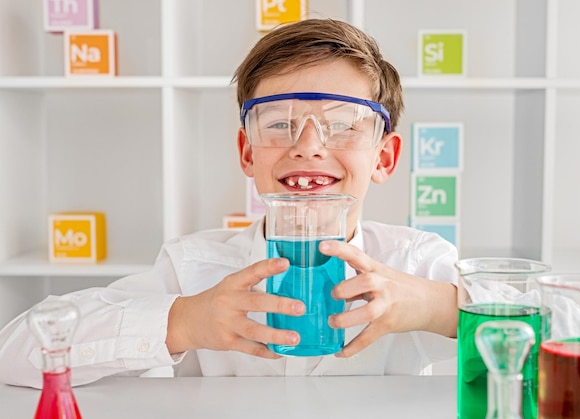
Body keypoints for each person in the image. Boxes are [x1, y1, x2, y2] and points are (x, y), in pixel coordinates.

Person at [0, 18, 458, 388]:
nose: (308, 145)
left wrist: (436, 306)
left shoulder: (416, 263)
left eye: (343, 124)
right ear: (246, 152)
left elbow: (530, 334)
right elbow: (17, 353)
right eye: (278, 123)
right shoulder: (192, 268)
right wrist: (182, 321)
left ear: (384, 157)